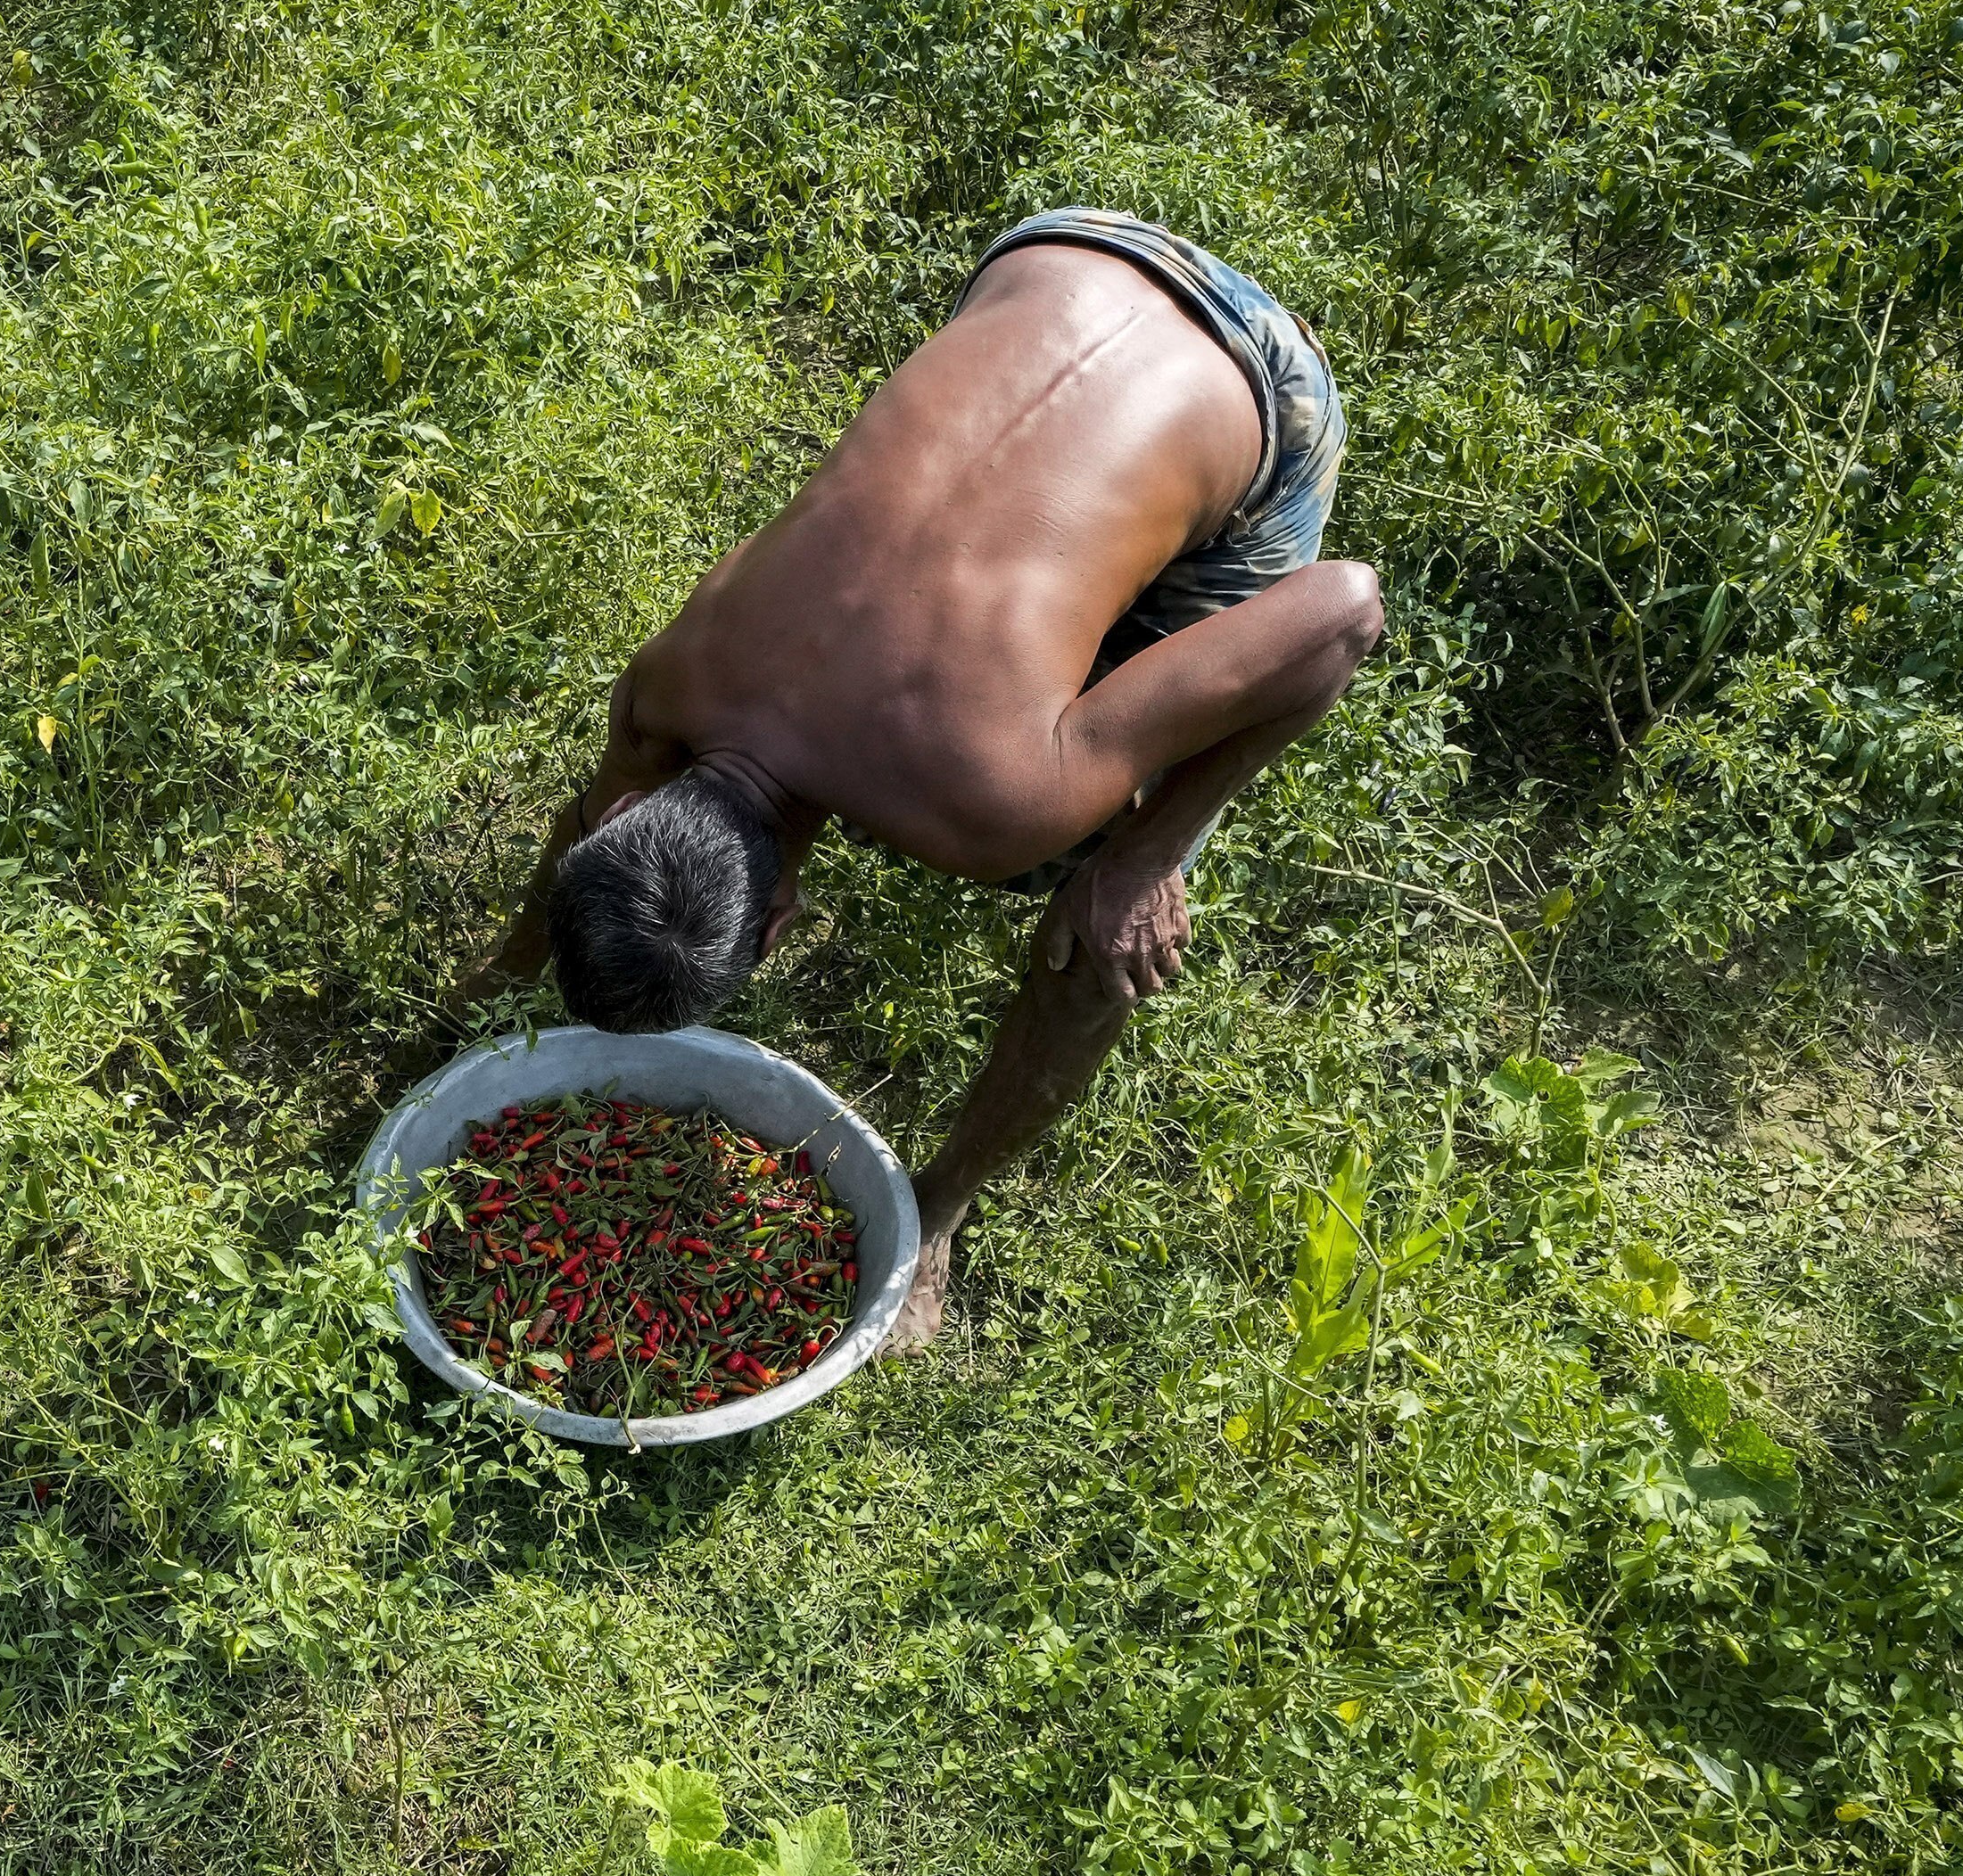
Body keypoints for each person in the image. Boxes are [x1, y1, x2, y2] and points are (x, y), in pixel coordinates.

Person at [473, 212, 1382, 1349]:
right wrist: (506, 983)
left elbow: (1345, 611)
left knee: (1100, 928)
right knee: (1049, 597)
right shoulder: (670, 683)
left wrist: (1146, 854)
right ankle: (494, 981)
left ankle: (936, 1211)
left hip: (1259, 387)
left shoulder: (995, 802)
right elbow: (592, 824)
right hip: (1059, 256)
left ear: (779, 925)